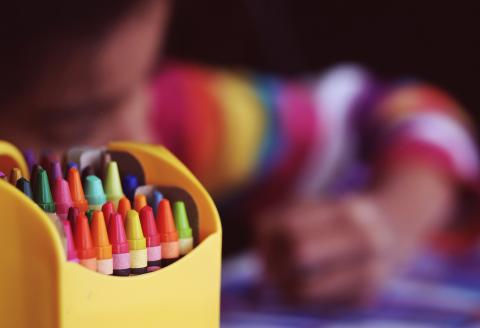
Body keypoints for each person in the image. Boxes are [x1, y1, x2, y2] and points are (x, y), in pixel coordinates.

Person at [0, 0, 478, 305]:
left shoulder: (177, 117)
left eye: (148, 72)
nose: (139, 135)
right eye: (73, 120)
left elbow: (404, 111)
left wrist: (392, 221)